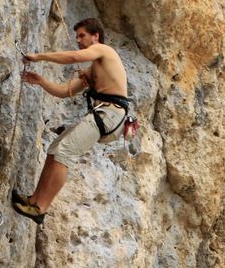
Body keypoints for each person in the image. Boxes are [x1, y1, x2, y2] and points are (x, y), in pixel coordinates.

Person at [11, 17, 133, 224]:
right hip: (105, 114)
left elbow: (74, 57)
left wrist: (39, 56)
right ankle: (33, 200)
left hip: (110, 114)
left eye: (82, 35)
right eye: (76, 36)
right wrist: (40, 81)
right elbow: (64, 92)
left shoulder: (105, 50)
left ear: (96, 36)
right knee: (56, 147)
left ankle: (40, 208)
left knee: (65, 151)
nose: (78, 40)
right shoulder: (93, 69)